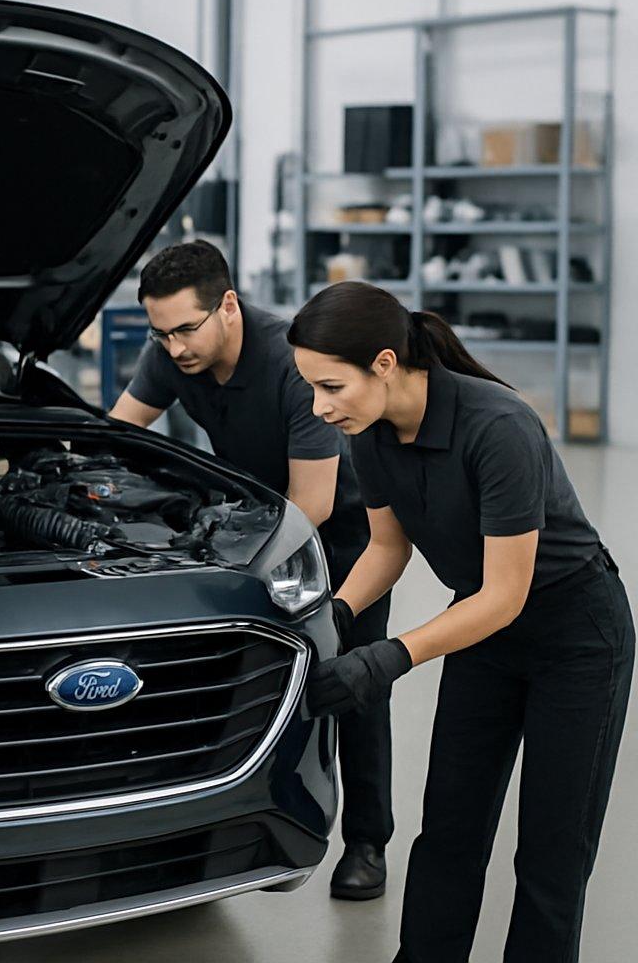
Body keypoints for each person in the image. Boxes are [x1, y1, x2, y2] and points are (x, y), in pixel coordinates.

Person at [289, 280, 632, 963]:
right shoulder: (372, 434)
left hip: (577, 635)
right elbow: (388, 547)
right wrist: (338, 613)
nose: (321, 409)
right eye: (312, 391)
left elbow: (508, 593)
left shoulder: (497, 426)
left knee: (551, 848)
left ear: (384, 364)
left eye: (332, 387)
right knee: (449, 828)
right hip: (484, 633)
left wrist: (387, 657)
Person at [110, 240, 394, 898]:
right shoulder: (171, 355)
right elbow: (120, 430)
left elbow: (314, 504)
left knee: (351, 683)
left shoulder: (291, 365)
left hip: (344, 537)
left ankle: (368, 843)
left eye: (186, 328)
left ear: (228, 306)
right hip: (251, 524)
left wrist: (235, 563)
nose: (174, 347)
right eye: (161, 333)